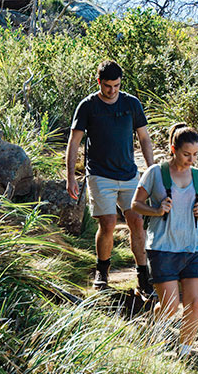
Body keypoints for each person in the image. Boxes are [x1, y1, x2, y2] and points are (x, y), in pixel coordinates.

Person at [66, 60, 154, 295]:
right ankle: (102, 272)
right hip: (99, 174)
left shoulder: (131, 104)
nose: (112, 90)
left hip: (128, 174)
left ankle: (143, 275)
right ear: (99, 83)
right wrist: (70, 176)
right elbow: (74, 142)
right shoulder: (87, 106)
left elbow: (144, 138)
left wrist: (152, 170)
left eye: (116, 86)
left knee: (136, 221)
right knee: (108, 224)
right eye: (107, 86)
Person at [131, 123, 198, 357]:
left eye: (195, 154)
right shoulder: (155, 173)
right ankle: (152, 335)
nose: (191, 159)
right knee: (169, 307)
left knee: (194, 303)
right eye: (187, 154)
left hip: (194, 248)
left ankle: (185, 352)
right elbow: (135, 205)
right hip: (163, 248)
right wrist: (156, 210)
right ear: (173, 148)